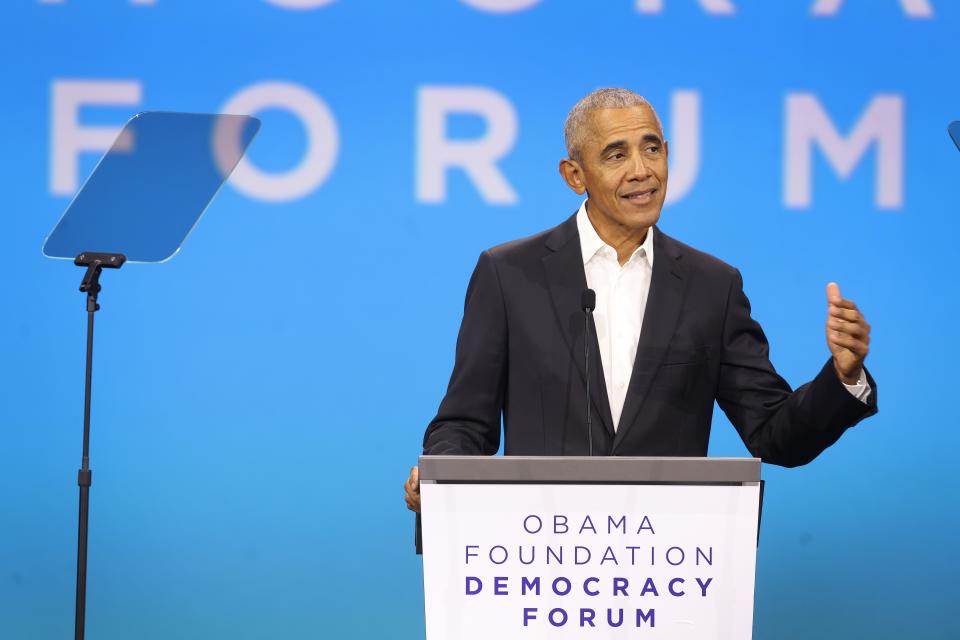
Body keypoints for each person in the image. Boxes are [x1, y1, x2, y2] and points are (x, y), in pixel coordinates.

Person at [404, 88, 876, 512]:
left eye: (652, 148)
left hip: (667, 567)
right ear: (575, 175)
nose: (641, 170)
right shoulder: (510, 274)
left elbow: (775, 436)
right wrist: (440, 475)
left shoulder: (712, 285)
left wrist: (842, 376)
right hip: (540, 556)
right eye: (616, 155)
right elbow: (465, 422)